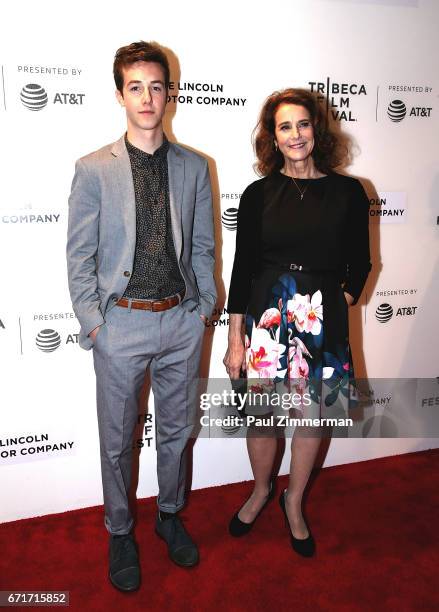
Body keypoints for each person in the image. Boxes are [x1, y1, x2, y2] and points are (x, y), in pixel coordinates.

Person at [66, 41, 216, 591]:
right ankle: (120, 529)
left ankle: (169, 515)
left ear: (169, 93)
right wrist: (95, 323)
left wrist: (204, 309)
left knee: (178, 430)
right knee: (116, 438)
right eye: (136, 87)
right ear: (119, 95)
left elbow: (203, 246)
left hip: (181, 321)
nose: (148, 97)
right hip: (120, 324)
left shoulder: (195, 167)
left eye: (157, 86)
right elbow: (79, 256)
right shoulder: (92, 169)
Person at [224, 88, 371, 557]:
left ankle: (293, 500)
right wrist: (235, 338)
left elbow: (362, 265)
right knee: (263, 417)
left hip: (321, 323)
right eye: (284, 126)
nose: (295, 134)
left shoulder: (349, 192)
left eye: (302, 124)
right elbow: (242, 268)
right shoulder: (257, 194)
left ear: (317, 129)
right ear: (273, 136)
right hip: (266, 320)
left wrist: (332, 299)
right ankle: (262, 490)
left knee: (312, 419)